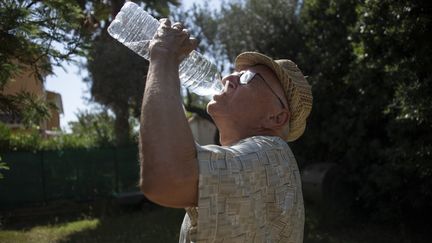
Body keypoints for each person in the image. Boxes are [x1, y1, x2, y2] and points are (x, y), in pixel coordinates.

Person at [139, 19, 312, 243]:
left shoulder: (271, 152)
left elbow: (169, 179)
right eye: (235, 72)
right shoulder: (250, 162)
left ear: (277, 117)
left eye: (247, 77)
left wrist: (163, 55)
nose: (228, 78)